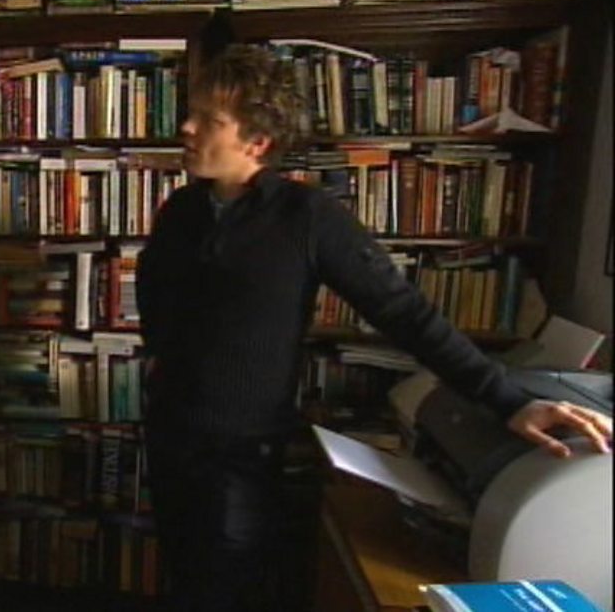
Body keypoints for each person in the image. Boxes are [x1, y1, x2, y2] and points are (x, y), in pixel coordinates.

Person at [135, 43, 612, 612]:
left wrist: (509, 401)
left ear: (256, 140)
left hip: (241, 450)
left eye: (208, 119)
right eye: (192, 113)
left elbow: (406, 315)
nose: (186, 128)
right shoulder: (181, 210)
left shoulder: (308, 218)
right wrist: (161, 362)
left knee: (228, 589)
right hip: (169, 432)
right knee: (183, 574)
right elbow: (154, 295)